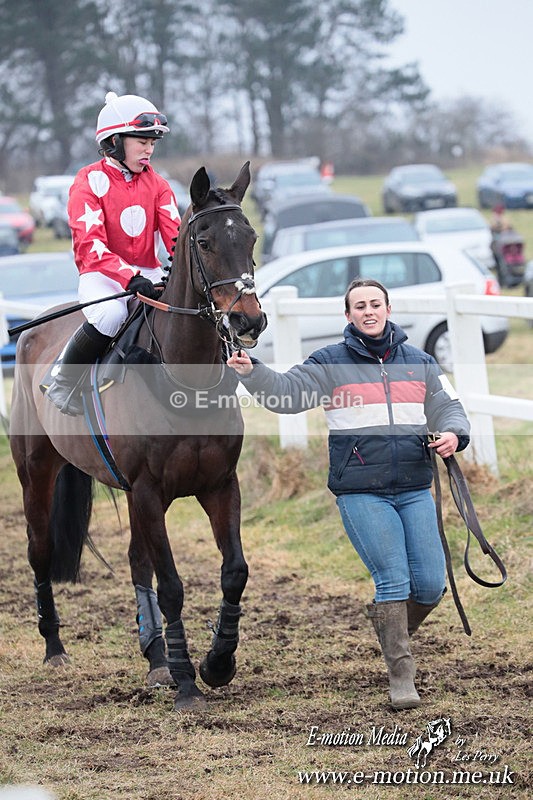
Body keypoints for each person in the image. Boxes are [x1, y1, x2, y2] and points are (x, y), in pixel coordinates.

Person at [228, 278, 470, 710]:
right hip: (362, 492)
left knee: (431, 585)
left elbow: (448, 405)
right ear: (348, 316)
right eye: (359, 306)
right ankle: (402, 677)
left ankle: (388, 624)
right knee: (393, 580)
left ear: (388, 309)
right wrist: (254, 372)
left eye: (375, 304)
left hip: (415, 488)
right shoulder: (329, 362)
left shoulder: (420, 362)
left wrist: (453, 433)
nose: (368, 311)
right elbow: (286, 394)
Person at [46, 91, 181, 415]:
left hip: (147, 272)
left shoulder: (159, 185)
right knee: (112, 315)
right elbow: (90, 244)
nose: (149, 149)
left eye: (153, 143)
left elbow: (176, 236)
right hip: (102, 275)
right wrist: (128, 277)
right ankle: (63, 380)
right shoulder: (88, 181)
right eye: (142, 141)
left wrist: (179, 273)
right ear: (115, 141)